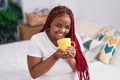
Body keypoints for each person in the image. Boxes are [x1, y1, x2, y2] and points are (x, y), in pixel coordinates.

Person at [27, 5, 90, 80]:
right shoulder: (37, 40)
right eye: (58, 25)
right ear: (50, 22)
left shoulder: (74, 37)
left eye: (67, 27)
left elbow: (81, 69)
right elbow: (34, 74)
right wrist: (55, 56)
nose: (62, 31)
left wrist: (70, 59)